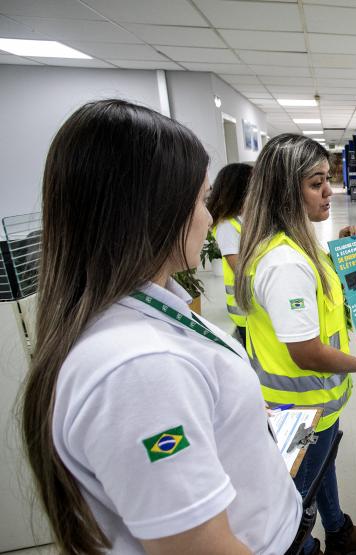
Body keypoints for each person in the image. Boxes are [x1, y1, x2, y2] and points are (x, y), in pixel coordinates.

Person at [20, 99, 309, 554]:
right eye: (200, 200)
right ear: (152, 210)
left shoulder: (142, 311)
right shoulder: (138, 368)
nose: (209, 217)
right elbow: (198, 547)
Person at [234, 134, 356, 555]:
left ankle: (338, 529)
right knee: (297, 503)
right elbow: (306, 352)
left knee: (323, 466)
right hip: (301, 410)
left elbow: (320, 302)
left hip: (315, 406)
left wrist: (346, 251)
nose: (329, 191)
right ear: (287, 191)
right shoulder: (285, 263)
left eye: (327, 180)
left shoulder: (296, 247)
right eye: (316, 183)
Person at [207, 162, 253, 343]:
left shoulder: (247, 218)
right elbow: (240, 268)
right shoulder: (227, 225)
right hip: (245, 310)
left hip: (257, 306)